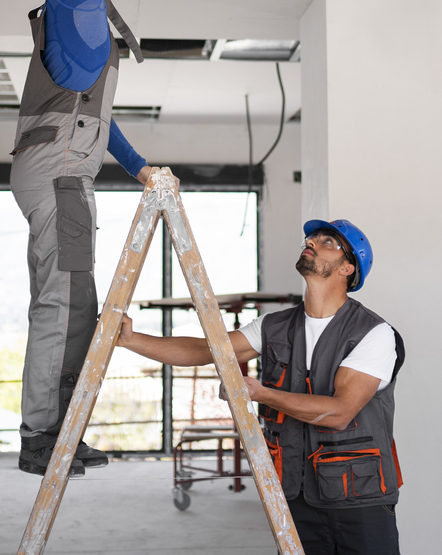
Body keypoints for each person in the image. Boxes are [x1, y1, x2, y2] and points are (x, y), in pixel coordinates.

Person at [7, 0, 173, 478]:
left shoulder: (77, 9)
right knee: (62, 302)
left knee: (75, 303)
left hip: (59, 169)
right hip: (58, 176)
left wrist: (134, 165)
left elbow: (95, 120)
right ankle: (41, 437)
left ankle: (60, 431)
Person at [118, 219, 405, 555]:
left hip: (360, 498)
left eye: (327, 241)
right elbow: (204, 350)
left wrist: (259, 393)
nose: (311, 240)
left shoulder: (373, 333)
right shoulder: (274, 326)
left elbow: (340, 413)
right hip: (294, 494)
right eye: (312, 236)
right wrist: (131, 340)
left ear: (347, 268)